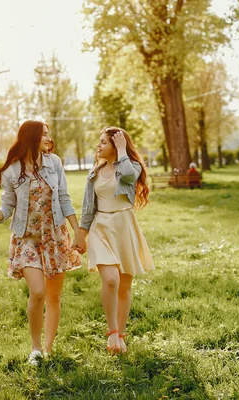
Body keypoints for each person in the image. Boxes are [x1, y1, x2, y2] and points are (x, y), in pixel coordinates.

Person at [0, 120, 86, 365]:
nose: (48, 137)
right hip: (27, 239)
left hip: (55, 237)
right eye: (44, 133)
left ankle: (48, 348)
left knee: (54, 297)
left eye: (48, 133)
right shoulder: (12, 171)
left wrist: (77, 232)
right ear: (32, 137)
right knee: (37, 292)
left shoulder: (54, 163)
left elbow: (65, 199)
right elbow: (7, 208)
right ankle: (35, 349)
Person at [79, 126, 155, 354]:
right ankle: (112, 332)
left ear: (116, 146)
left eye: (104, 142)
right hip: (101, 228)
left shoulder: (130, 166)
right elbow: (87, 207)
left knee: (124, 285)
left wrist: (122, 150)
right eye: (99, 141)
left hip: (124, 227)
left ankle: (121, 335)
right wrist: (80, 236)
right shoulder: (94, 173)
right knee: (110, 280)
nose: (98, 146)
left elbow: (130, 176)